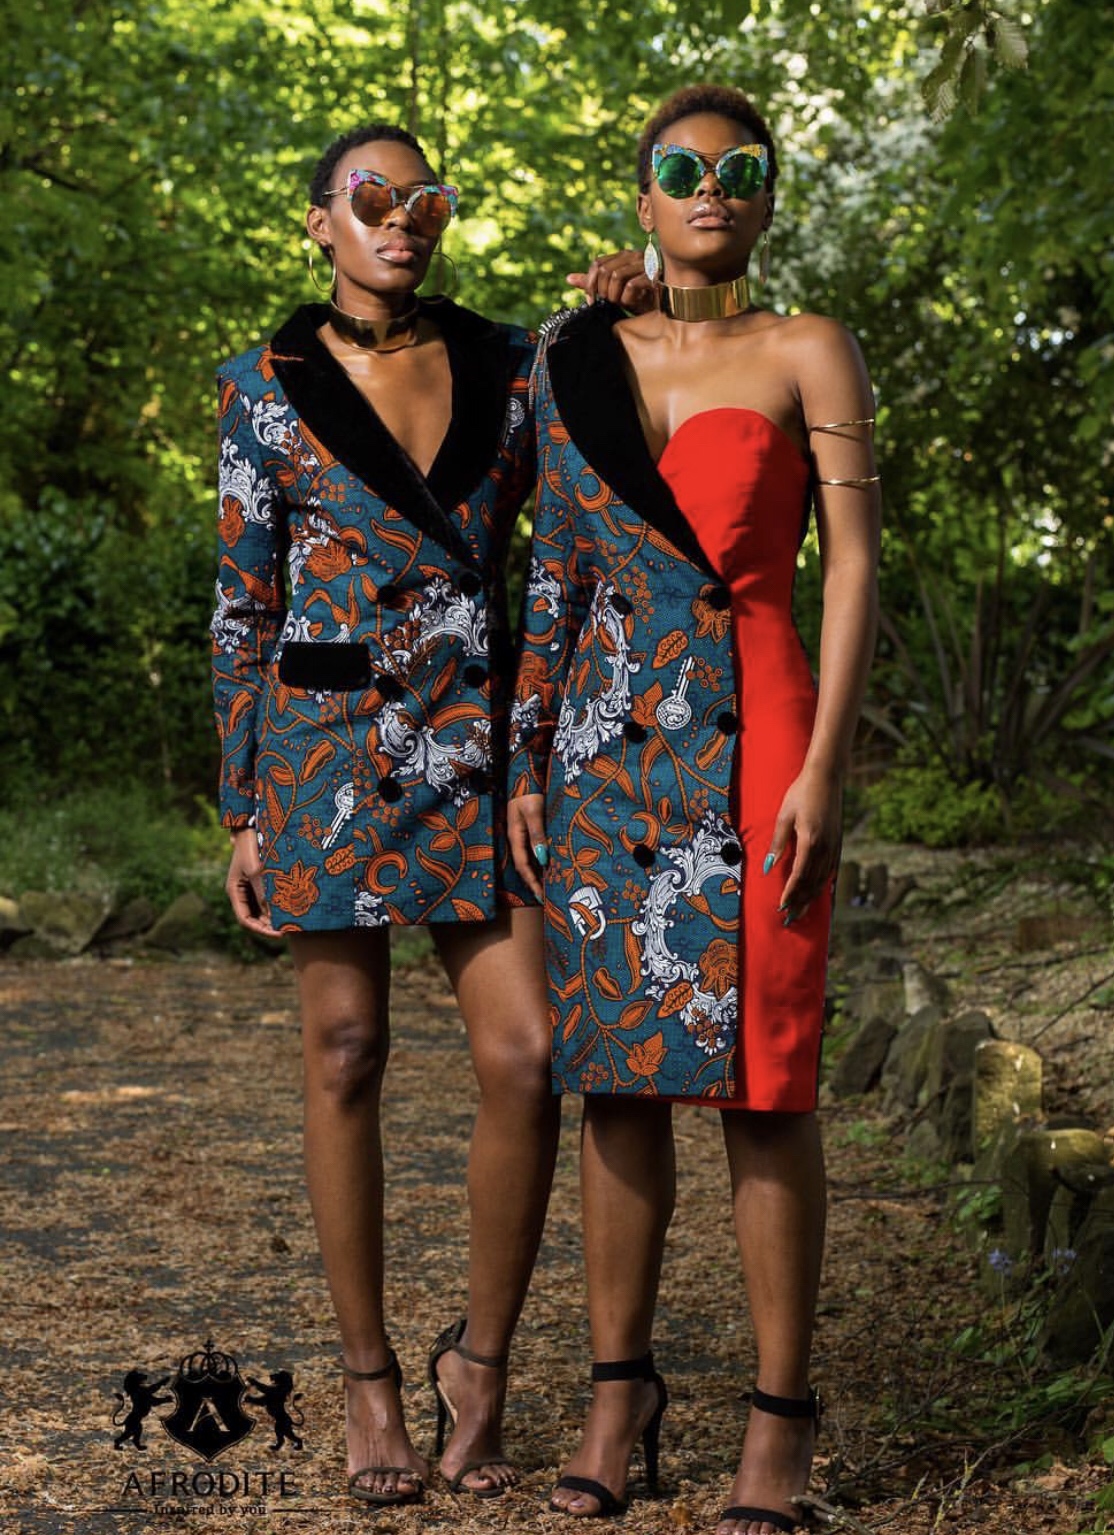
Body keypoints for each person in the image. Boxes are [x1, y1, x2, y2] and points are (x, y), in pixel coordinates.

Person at [211, 123, 647, 1505]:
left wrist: (630, 297)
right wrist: (242, 804)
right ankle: (369, 1382)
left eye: (425, 200)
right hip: (325, 750)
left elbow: (620, 417)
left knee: (525, 1057)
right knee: (345, 1053)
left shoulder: (512, 364)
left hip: (480, 747)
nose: (402, 218)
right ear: (319, 223)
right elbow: (242, 605)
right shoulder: (263, 386)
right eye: (372, 197)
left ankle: (480, 1366)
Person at [508, 85, 880, 1534]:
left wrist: (826, 763)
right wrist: (527, 760)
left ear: (768, 196)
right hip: (605, 747)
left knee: (767, 1081)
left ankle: (780, 1422)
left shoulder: (807, 346)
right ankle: (620, 1396)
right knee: (617, 1079)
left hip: (761, 727)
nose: (710, 187)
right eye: (681, 169)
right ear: (643, 199)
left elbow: (852, 562)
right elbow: (552, 571)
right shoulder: (578, 356)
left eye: (738, 169)